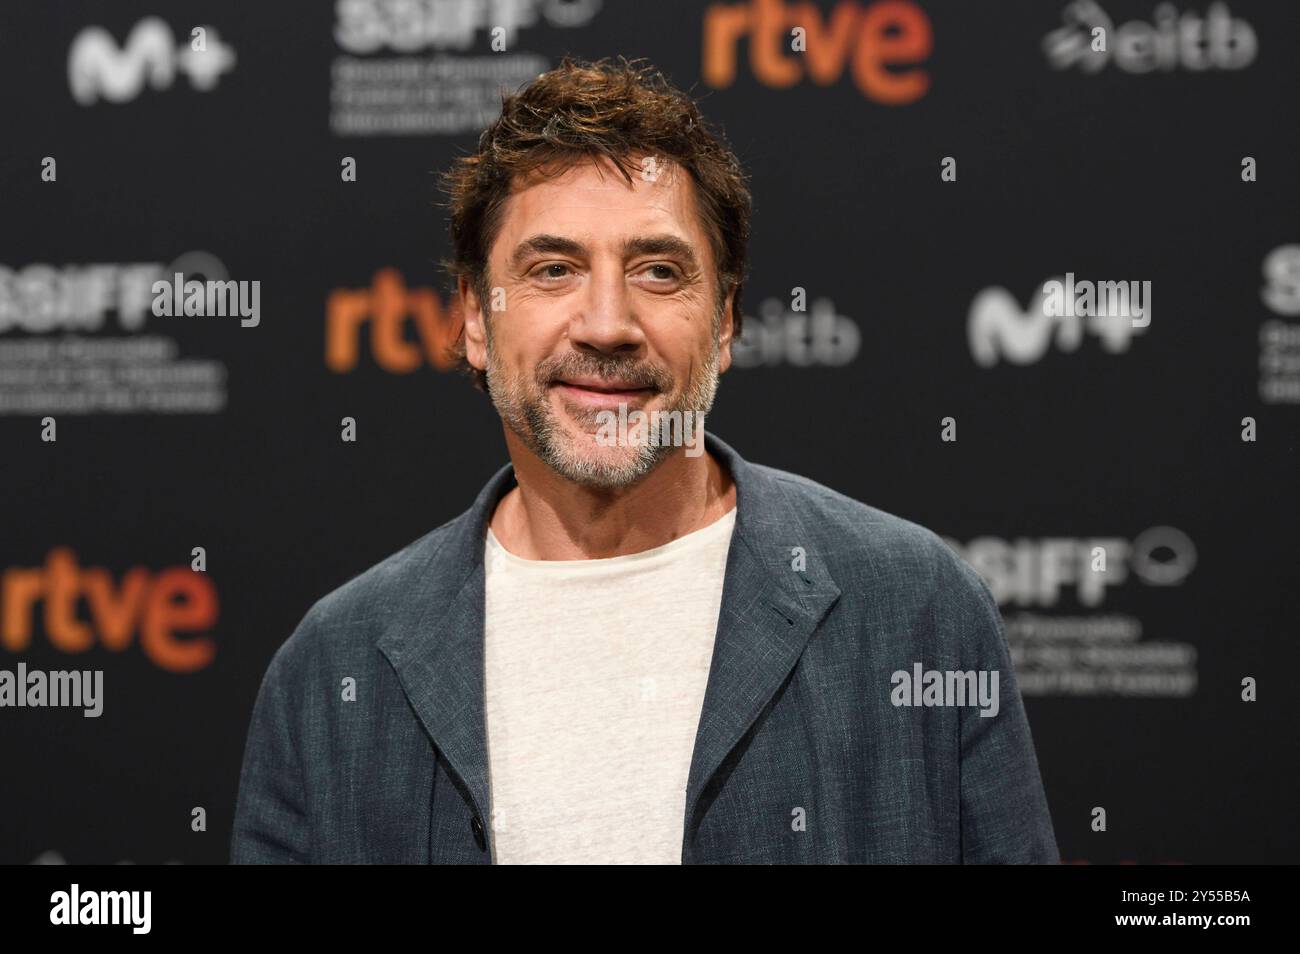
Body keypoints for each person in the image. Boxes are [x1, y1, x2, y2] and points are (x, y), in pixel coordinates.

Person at [231, 55, 1058, 864]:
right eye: (552, 270)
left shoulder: (917, 611)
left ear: (726, 321)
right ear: (476, 320)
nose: (606, 323)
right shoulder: (331, 671)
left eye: (658, 272)